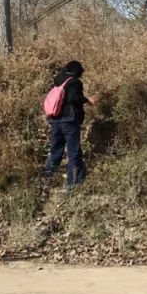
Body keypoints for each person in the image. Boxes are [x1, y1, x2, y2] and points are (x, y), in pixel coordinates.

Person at [43, 60, 99, 196]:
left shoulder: (58, 80)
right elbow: (75, 98)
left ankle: (47, 178)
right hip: (69, 121)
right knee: (74, 152)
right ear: (77, 70)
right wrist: (88, 100)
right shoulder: (74, 82)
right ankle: (73, 184)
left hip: (55, 120)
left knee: (56, 148)